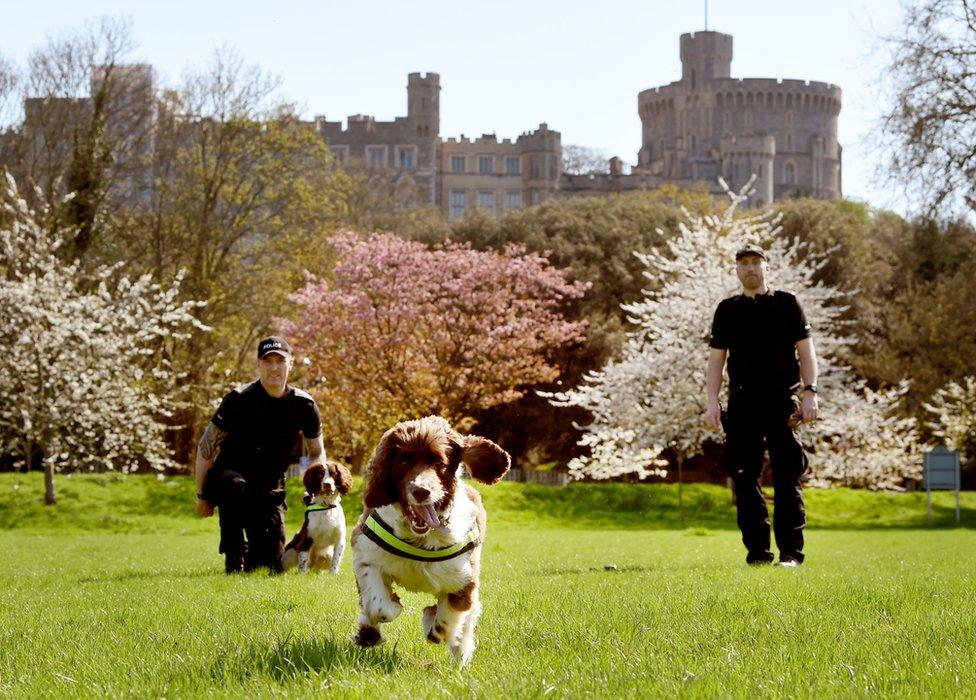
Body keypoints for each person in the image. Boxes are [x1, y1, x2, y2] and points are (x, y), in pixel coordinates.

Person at [705, 244, 820, 567]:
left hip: (782, 401)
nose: (750, 268)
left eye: (756, 262)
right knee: (744, 478)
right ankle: (757, 553)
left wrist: (811, 392)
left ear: (767, 267)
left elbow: (807, 353)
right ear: (737, 270)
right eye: (743, 264)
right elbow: (716, 361)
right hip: (741, 403)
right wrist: (712, 402)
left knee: (787, 476)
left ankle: (790, 554)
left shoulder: (787, 303)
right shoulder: (727, 310)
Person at [195, 336, 325, 573]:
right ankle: (234, 558)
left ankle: (255, 556)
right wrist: (203, 497)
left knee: (269, 565)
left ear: (291, 364)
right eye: (267, 361)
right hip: (230, 479)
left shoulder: (304, 405)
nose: (274, 367)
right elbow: (205, 448)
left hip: (268, 487)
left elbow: (317, 452)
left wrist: (315, 490)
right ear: (258, 365)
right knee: (234, 485)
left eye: (280, 361)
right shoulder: (238, 399)